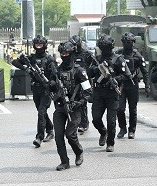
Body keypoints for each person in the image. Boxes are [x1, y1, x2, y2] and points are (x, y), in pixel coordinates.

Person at [50, 41, 92, 170]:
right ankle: (64, 161)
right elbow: (50, 88)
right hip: (60, 107)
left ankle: (78, 152)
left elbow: (88, 92)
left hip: (75, 108)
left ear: (72, 53)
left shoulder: (79, 71)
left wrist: (79, 102)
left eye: (67, 53)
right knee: (58, 136)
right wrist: (51, 86)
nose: (64, 55)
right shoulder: (57, 70)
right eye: (62, 53)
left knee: (70, 134)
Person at [11, 35, 55, 147]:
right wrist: (26, 68)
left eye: (41, 44)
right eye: (37, 44)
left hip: (46, 90)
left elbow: (56, 74)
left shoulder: (49, 59)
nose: (39, 46)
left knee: (41, 112)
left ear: (44, 45)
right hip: (35, 89)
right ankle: (50, 129)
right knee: (42, 112)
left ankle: (39, 137)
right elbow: (14, 62)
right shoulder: (31, 59)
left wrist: (52, 84)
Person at [87, 34, 128, 152]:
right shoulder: (97, 59)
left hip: (112, 93)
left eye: (106, 47)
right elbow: (88, 74)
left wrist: (116, 79)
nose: (104, 49)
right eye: (102, 47)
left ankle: (110, 142)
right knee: (96, 119)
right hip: (99, 92)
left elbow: (126, 75)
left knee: (111, 121)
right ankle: (103, 132)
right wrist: (96, 69)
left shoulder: (118, 59)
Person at [114, 32, 149, 139]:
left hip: (133, 85)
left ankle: (132, 130)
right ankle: (122, 128)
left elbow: (145, 72)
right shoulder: (118, 54)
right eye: (126, 42)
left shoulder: (137, 56)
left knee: (132, 109)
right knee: (120, 109)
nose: (128, 44)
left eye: (130, 42)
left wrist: (147, 86)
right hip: (121, 85)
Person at [69, 34, 93, 135]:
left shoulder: (87, 54)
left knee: (84, 101)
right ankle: (77, 122)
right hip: (74, 81)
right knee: (74, 101)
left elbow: (93, 66)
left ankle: (84, 123)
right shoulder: (70, 54)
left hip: (84, 80)